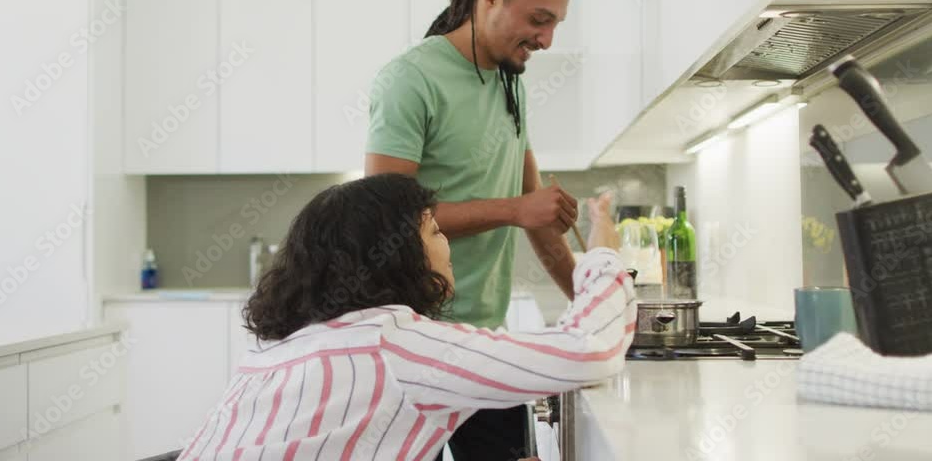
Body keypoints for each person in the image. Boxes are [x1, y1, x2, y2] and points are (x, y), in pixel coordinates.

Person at [176, 173, 636, 461]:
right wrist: (602, 251)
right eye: (434, 231)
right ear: (396, 256)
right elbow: (590, 350)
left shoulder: (283, 344)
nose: (447, 245)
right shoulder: (394, 340)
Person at [364, 0, 578, 457]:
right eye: (538, 19)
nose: (547, 39)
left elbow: (536, 208)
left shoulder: (511, 81)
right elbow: (384, 219)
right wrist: (515, 210)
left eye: (556, 25)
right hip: (413, 342)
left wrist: (593, 303)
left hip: (483, 339)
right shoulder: (410, 79)